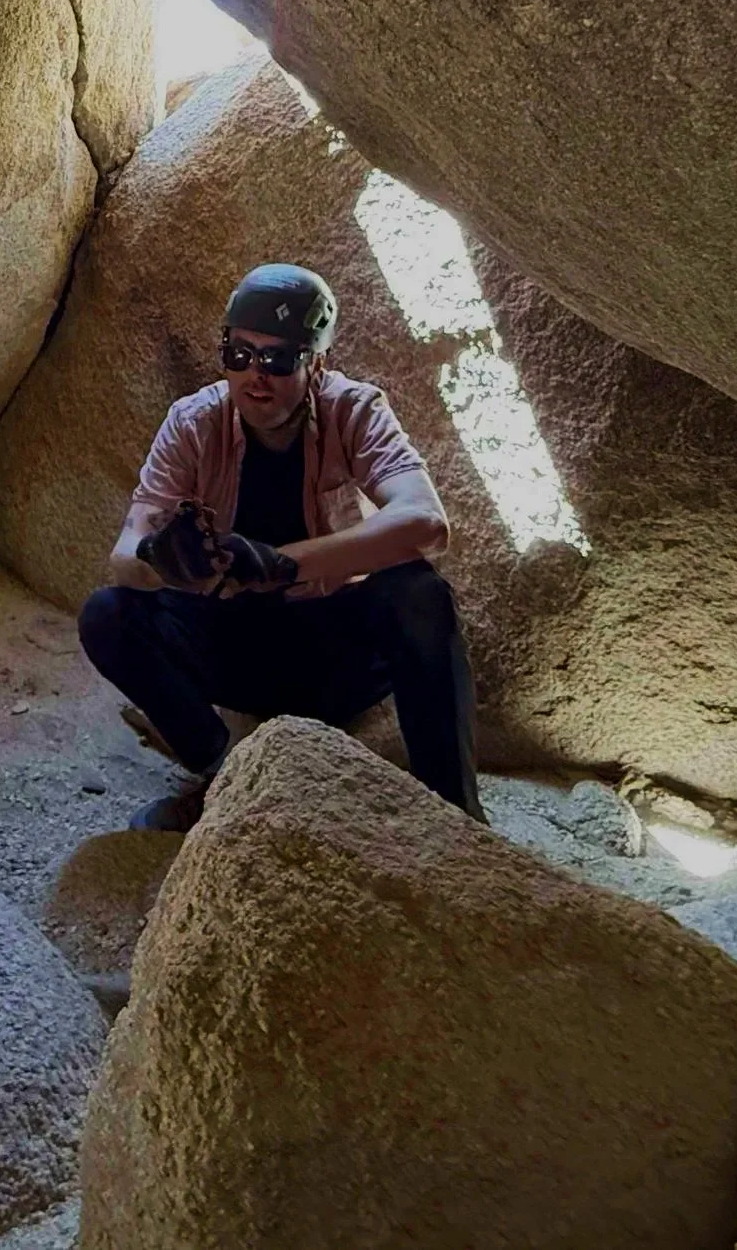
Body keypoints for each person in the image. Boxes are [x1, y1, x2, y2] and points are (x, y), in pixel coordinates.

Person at [79, 263, 484, 832]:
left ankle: (456, 821)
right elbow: (127, 553)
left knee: (419, 593)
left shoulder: (355, 409)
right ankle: (225, 780)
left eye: (278, 359)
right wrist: (159, 561)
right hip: (229, 643)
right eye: (239, 354)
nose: (255, 377)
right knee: (107, 614)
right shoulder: (194, 422)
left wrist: (282, 562)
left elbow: (426, 522)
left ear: (316, 365)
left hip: (327, 650)